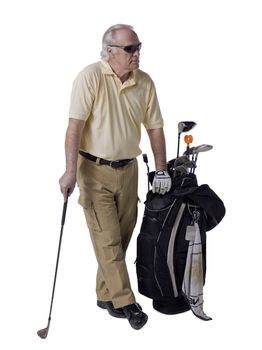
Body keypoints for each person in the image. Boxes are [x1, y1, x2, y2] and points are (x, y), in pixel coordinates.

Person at [59, 24, 171, 330]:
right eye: (130, 49)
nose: (137, 54)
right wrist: (70, 172)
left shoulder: (144, 82)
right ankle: (127, 302)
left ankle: (104, 294)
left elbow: (155, 128)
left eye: (138, 47)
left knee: (121, 236)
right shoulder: (90, 77)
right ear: (110, 52)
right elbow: (74, 128)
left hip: (129, 169)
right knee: (107, 240)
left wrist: (161, 170)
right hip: (94, 170)